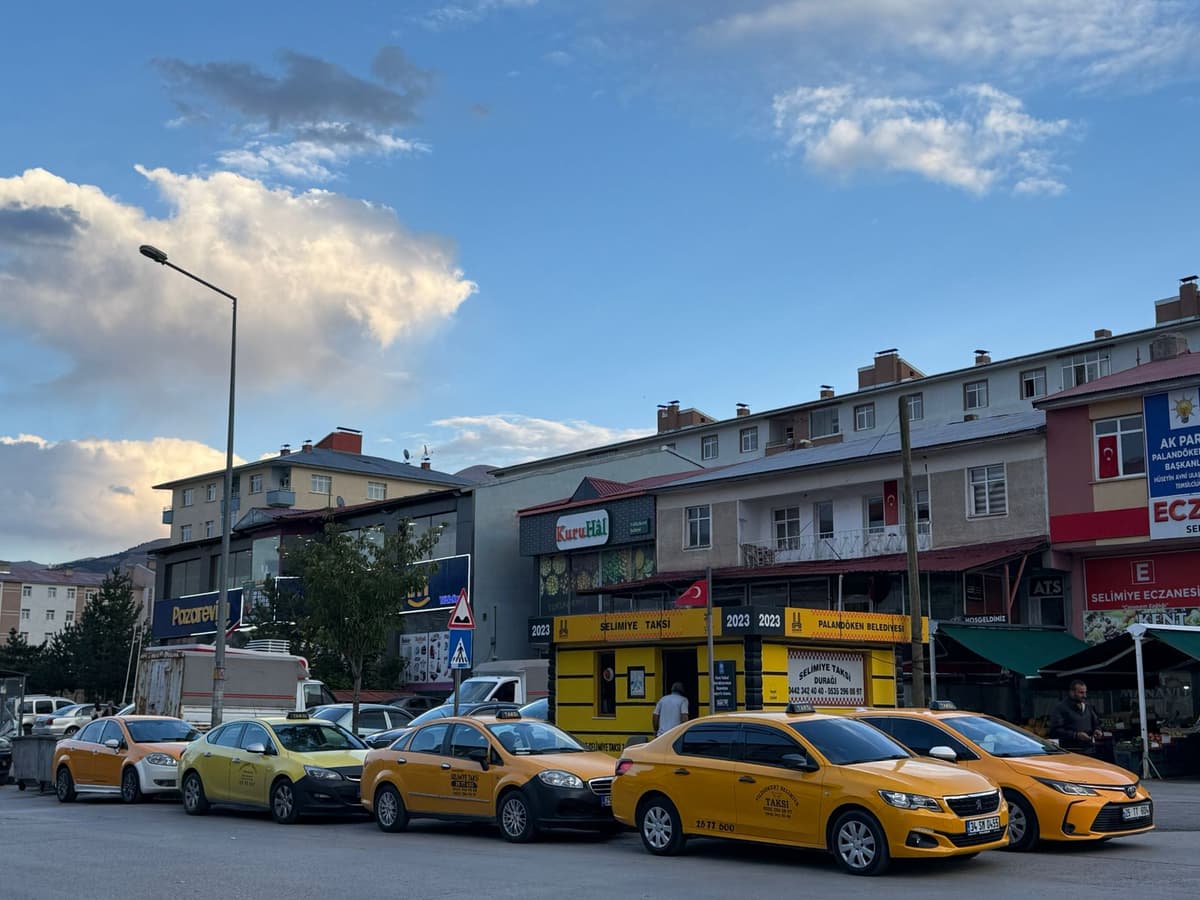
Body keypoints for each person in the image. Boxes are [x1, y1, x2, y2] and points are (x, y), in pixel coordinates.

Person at [1049, 680, 1104, 755]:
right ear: (1071, 692)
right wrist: (1076, 735)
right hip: (1071, 752)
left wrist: (1098, 730)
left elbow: (1097, 723)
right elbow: (1055, 731)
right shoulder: (1060, 708)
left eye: (1085, 692)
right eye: (1081, 693)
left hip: (1090, 751)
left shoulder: (1089, 706)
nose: (1085, 696)